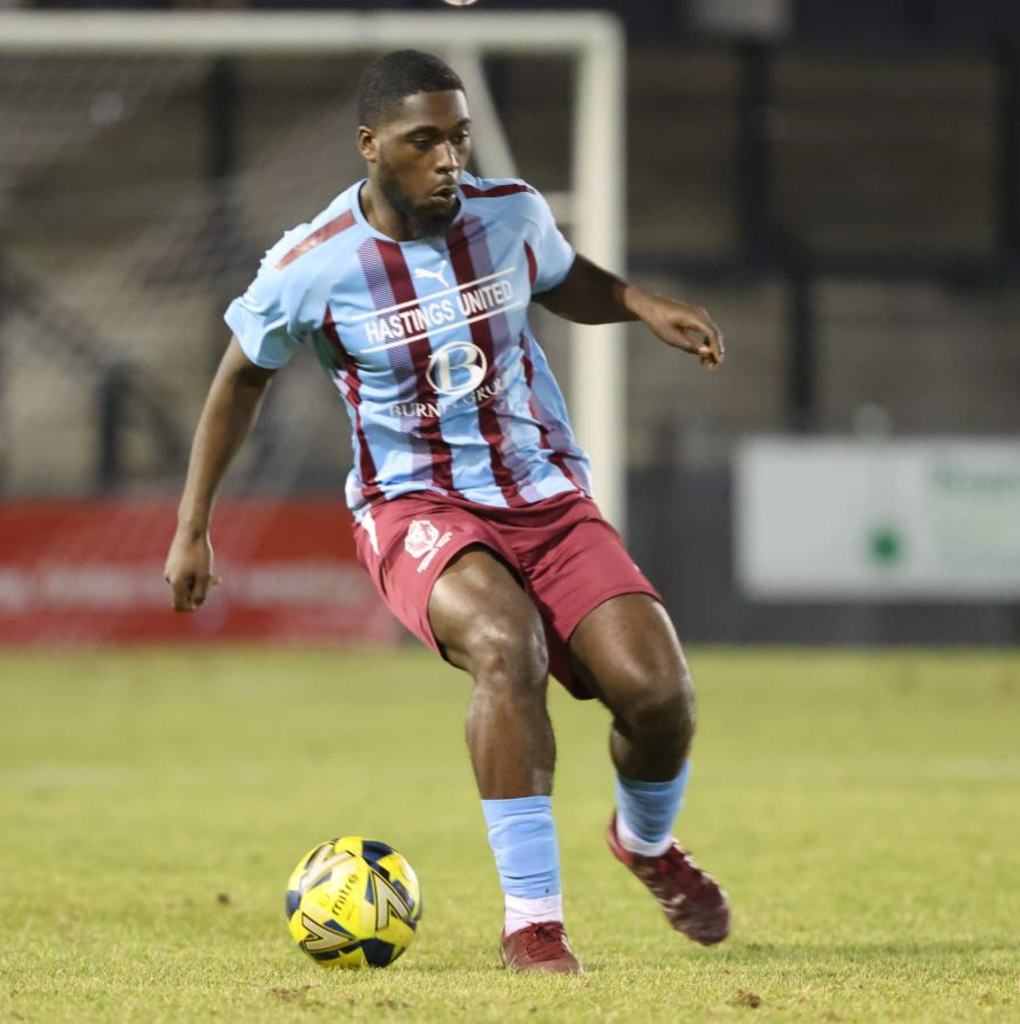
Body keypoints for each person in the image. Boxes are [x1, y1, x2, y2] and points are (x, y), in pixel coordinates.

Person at [164, 49, 729, 974]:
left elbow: (560, 275)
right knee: (509, 650)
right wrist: (194, 523)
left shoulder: (511, 214)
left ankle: (647, 844)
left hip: (544, 494)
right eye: (424, 141)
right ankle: (533, 925)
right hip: (414, 506)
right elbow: (239, 381)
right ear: (371, 146)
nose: (448, 160)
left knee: (660, 696)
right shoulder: (312, 264)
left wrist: (637, 303)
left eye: (458, 138)